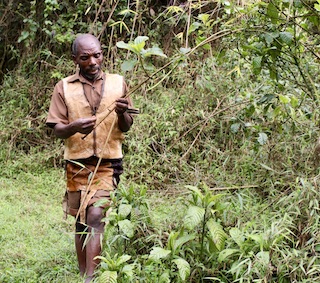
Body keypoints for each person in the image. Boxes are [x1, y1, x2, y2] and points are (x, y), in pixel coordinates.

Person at [46, 33, 134, 282]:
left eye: (97, 55)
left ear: (102, 53)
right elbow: (56, 129)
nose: (93, 62)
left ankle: (90, 278)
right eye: (85, 57)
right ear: (75, 59)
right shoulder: (63, 87)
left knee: (96, 215)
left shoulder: (118, 82)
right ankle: (84, 270)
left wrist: (123, 113)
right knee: (81, 218)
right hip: (76, 161)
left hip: (108, 161)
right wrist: (74, 126)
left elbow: (126, 126)